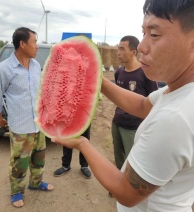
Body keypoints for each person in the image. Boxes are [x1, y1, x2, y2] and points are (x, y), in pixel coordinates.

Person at [52, 0, 194, 211]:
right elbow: (143, 105)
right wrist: (96, 79)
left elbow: (125, 192)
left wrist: (83, 144)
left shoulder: (175, 118)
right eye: (143, 33)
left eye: (154, 35)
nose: (143, 47)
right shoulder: (178, 91)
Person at [0, 27, 53, 208]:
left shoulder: (35, 66)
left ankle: (35, 182)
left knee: (39, 157)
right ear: (23, 44)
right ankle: (17, 191)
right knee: (20, 161)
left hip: (38, 123)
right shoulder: (4, 69)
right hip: (20, 125)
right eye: (34, 42)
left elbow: (39, 92)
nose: (37, 46)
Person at [112, 35, 158, 171]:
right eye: (117, 48)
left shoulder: (146, 73)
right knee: (118, 157)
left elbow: (154, 102)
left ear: (133, 52)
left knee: (133, 161)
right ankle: (118, 186)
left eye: (122, 48)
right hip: (117, 122)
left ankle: (127, 189)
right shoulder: (119, 72)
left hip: (134, 127)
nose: (118, 52)